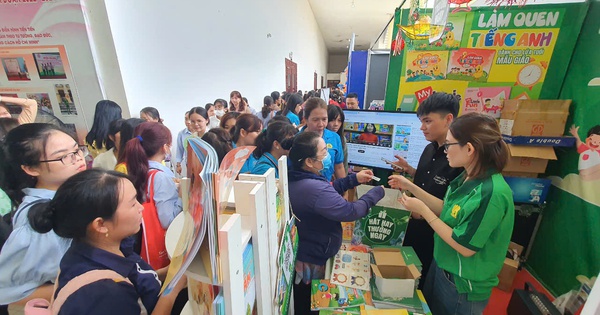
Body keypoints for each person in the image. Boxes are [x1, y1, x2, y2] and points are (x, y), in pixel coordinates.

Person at [389, 112, 514, 315]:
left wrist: (423, 210)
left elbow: (464, 246)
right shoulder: (467, 177)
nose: (445, 151)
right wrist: (409, 185)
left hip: (462, 283)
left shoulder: (492, 193)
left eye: (448, 145)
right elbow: (447, 208)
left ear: (470, 149)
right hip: (442, 267)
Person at [29, 169, 187, 314]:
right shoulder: (104, 294)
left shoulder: (105, 245)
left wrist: (168, 271)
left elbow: (137, 279)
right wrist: (173, 289)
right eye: (132, 204)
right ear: (100, 225)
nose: (141, 208)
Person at [288, 131, 384, 315]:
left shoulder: (301, 177)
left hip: (309, 249)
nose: (328, 156)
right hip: (313, 258)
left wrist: (353, 179)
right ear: (309, 161)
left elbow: (329, 190)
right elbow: (350, 211)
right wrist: (375, 193)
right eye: (324, 152)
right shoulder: (313, 188)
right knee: (312, 303)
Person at [0, 123, 87, 305]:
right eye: (64, 157)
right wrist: (89, 284)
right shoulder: (39, 220)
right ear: (31, 169)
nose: (78, 159)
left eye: (77, 150)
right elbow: (9, 292)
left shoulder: (69, 196)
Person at [390, 92, 463, 289]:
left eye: (428, 121)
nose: (422, 127)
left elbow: (449, 207)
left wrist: (409, 186)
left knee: (423, 284)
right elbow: (427, 182)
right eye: (422, 121)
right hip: (412, 227)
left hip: (436, 238)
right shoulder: (429, 149)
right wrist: (410, 171)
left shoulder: (458, 160)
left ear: (448, 119)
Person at [125, 122, 182, 230]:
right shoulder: (160, 177)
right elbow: (168, 221)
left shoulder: (138, 168)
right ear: (165, 147)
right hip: (163, 240)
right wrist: (181, 196)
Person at [300, 98, 345, 181]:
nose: (321, 124)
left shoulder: (334, 137)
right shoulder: (297, 140)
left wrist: (344, 190)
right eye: (315, 120)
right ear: (305, 119)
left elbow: (339, 167)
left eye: (324, 119)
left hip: (327, 188)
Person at [327, 105, 348, 173]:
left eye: (339, 120)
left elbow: (344, 164)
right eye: (332, 120)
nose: (336, 124)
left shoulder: (342, 139)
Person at [175, 111, 193, 176]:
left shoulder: (201, 132)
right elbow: (179, 150)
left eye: (190, 119)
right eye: (186, 119)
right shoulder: (182, 133)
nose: (188, 122)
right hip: (188, 163)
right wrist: (178, 165)